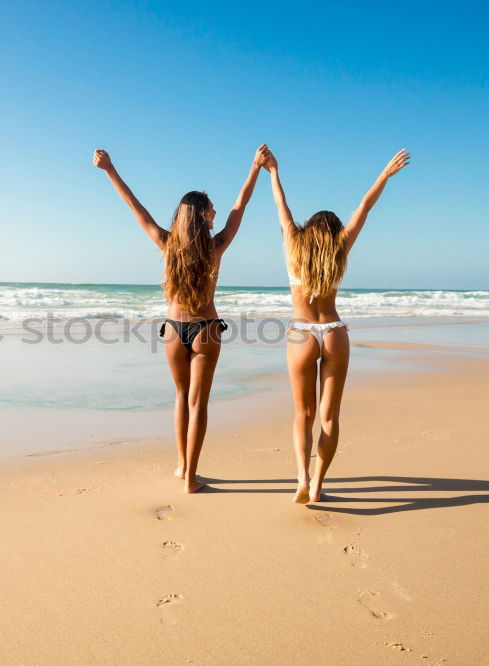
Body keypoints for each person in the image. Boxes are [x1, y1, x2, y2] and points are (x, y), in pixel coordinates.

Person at [93, 145, 271, 492]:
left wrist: (110, 170)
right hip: (205, 329)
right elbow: (241, 205)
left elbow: (135, 207)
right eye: (211, 208)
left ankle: (180, 467)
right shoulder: (216, 245)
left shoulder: (166, 243)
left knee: (180, 398)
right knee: (198, 403)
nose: (217, 211)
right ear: (203, 215)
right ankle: (191, 477)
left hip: (173, 330)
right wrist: (254, 168)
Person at [265, 148, 411, 503]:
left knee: (303, 413)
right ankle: (318, 484)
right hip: (333, 332)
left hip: (301, 333)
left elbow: (281, 208)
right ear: (333, 233)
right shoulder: (340, 248)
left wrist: (273, 172)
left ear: (308, 229)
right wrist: (384, 176)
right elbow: (364, 208)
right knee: (329, 417)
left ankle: (301, 478)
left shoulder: (293, 245)